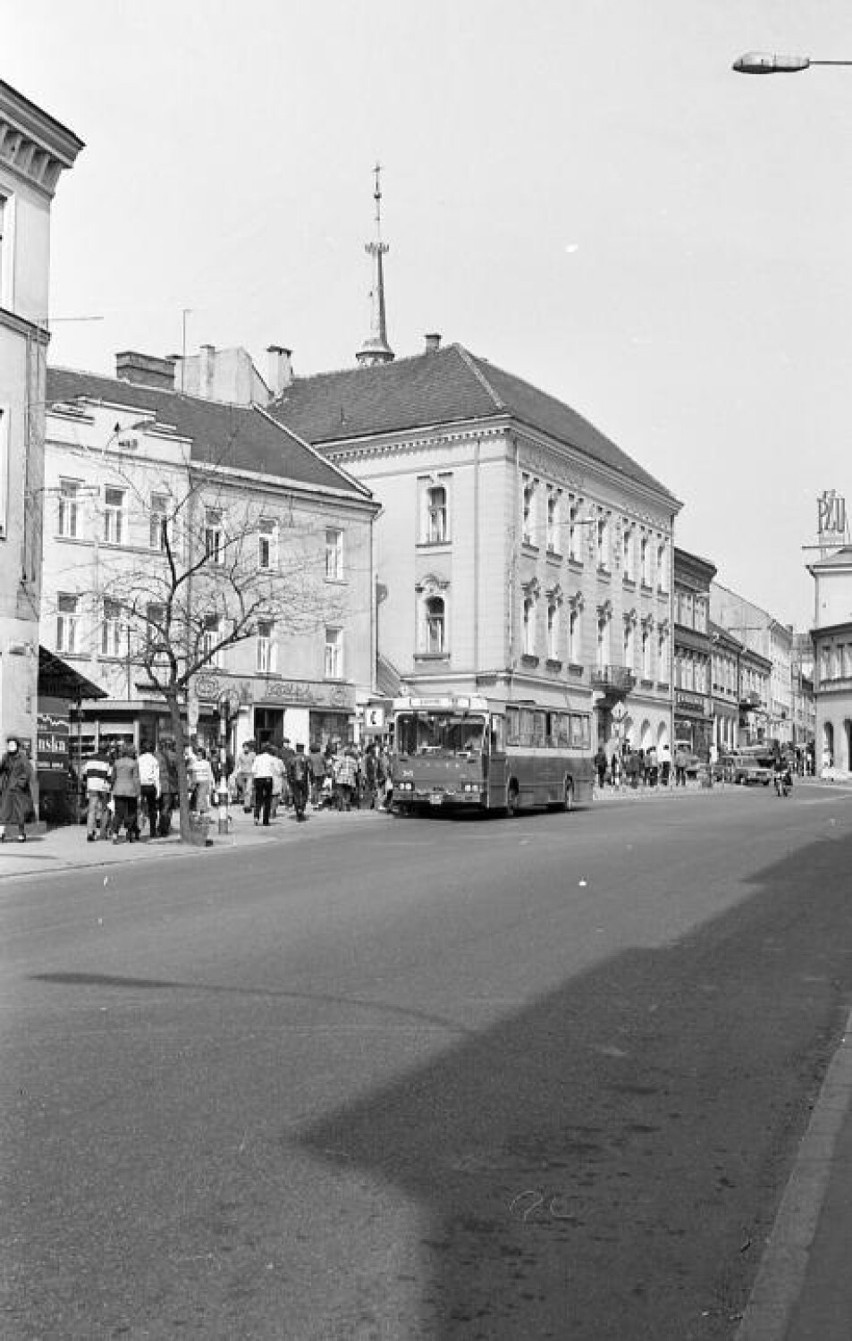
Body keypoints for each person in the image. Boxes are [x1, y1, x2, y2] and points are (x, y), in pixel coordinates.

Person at [0, 736, 33, 843]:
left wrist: (20, 783)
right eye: (9, 745)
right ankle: (1, 832)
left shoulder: (22, 757)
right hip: (8, 788)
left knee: (20, 812)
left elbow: (27, 771)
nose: (11, 747)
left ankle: (21, 833)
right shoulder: (6, 757)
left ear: (17, 746)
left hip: (19, 790)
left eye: (13, 745)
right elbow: (1, 769)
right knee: (4, 811)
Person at [111, 743, 141, 843]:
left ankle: (115, 834)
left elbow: (113, 777)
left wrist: (112, 788)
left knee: (118, 813)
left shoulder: (117, 762)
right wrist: (138, 791)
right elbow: (136, 778)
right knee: (131, 812)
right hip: (130, 789)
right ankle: (130, 832)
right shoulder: (134, 763)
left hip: (118, 789)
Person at [83, 744, 112, 841]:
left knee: (92, 810)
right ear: (107, 750)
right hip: (103, 787)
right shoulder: (108, 760)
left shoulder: (91, 759)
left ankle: (90, 832)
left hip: (92, 786)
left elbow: (85, 772)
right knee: (105, 810)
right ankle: (103, 833)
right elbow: (110, 775)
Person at [155, 738, 179, 836]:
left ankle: (159, 826)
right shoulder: (174, 756)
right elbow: (178, 771)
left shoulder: (156, 755)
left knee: (159, 807)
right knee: (167, 808)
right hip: (169, 785)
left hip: (157, 784)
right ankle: (164, 828)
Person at [137, 740, 160, 839]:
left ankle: (137, 830)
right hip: (150, 785)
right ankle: (153, 831)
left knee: (139, 809)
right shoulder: (154, 760)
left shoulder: (139, 759)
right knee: (152, 809)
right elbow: (156, 777)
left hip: (140, 785)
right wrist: (158, 789)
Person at [251, 743, 275, 826]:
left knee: (258, 798)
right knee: (267, 799)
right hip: (268, 778)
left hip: (258, 778)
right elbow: (275, 770)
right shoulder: (271, 758)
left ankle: (256, 816)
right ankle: (265, 820)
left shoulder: (257, 758)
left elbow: (253, 770)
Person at [287, 742, 310, 821]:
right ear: (303, 749)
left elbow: (289, 771)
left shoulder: (291, 758)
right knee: (305, 795)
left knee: (296, 796)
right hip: (304, 780)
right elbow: (310, 769)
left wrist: (290, 780)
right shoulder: (306, 758)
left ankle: (298, 811)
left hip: (294, 780)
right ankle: (301, 809)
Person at [234, 741, 256, 813]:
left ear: (249, 748)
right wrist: (235, 773)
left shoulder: (253, 754)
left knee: (248, 790)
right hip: (242, 773)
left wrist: (255, 772)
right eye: (244, 747)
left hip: (250, 773)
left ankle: (247, 806)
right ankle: (247, 803)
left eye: (247, 747)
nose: (245, 749)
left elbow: (255, 763)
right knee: (243, 790)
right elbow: (237, 765)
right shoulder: (240, 755)